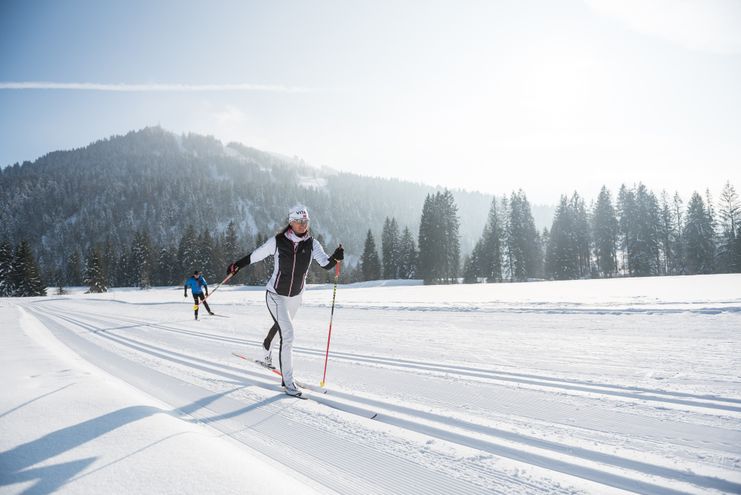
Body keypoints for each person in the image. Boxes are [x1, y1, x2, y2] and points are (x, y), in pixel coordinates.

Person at [226, 205, 344, 397]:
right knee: (288, 334)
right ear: (291, 222)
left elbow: (326, 264)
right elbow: (256, 256)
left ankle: (266, 344)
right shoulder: (278, 242)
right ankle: (288, 382)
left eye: (306, 221)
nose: (303, 225)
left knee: (282, 326)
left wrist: (336, 258)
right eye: (299, 221)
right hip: (275, 294)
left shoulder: (312, 244)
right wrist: (236, 265)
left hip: (296, 296)